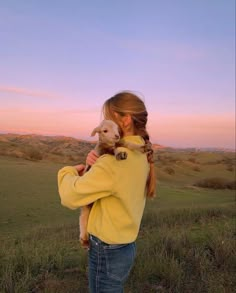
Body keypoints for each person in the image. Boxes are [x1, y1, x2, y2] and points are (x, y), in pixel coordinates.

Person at [57, 91, 156, 292]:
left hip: (107, 249)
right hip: (126, 245)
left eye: (110, 118)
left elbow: (70, 196)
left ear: (126, 120)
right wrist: (95, 159)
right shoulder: (141, 153)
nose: (106, 124)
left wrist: (67, 171)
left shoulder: (114, 162)